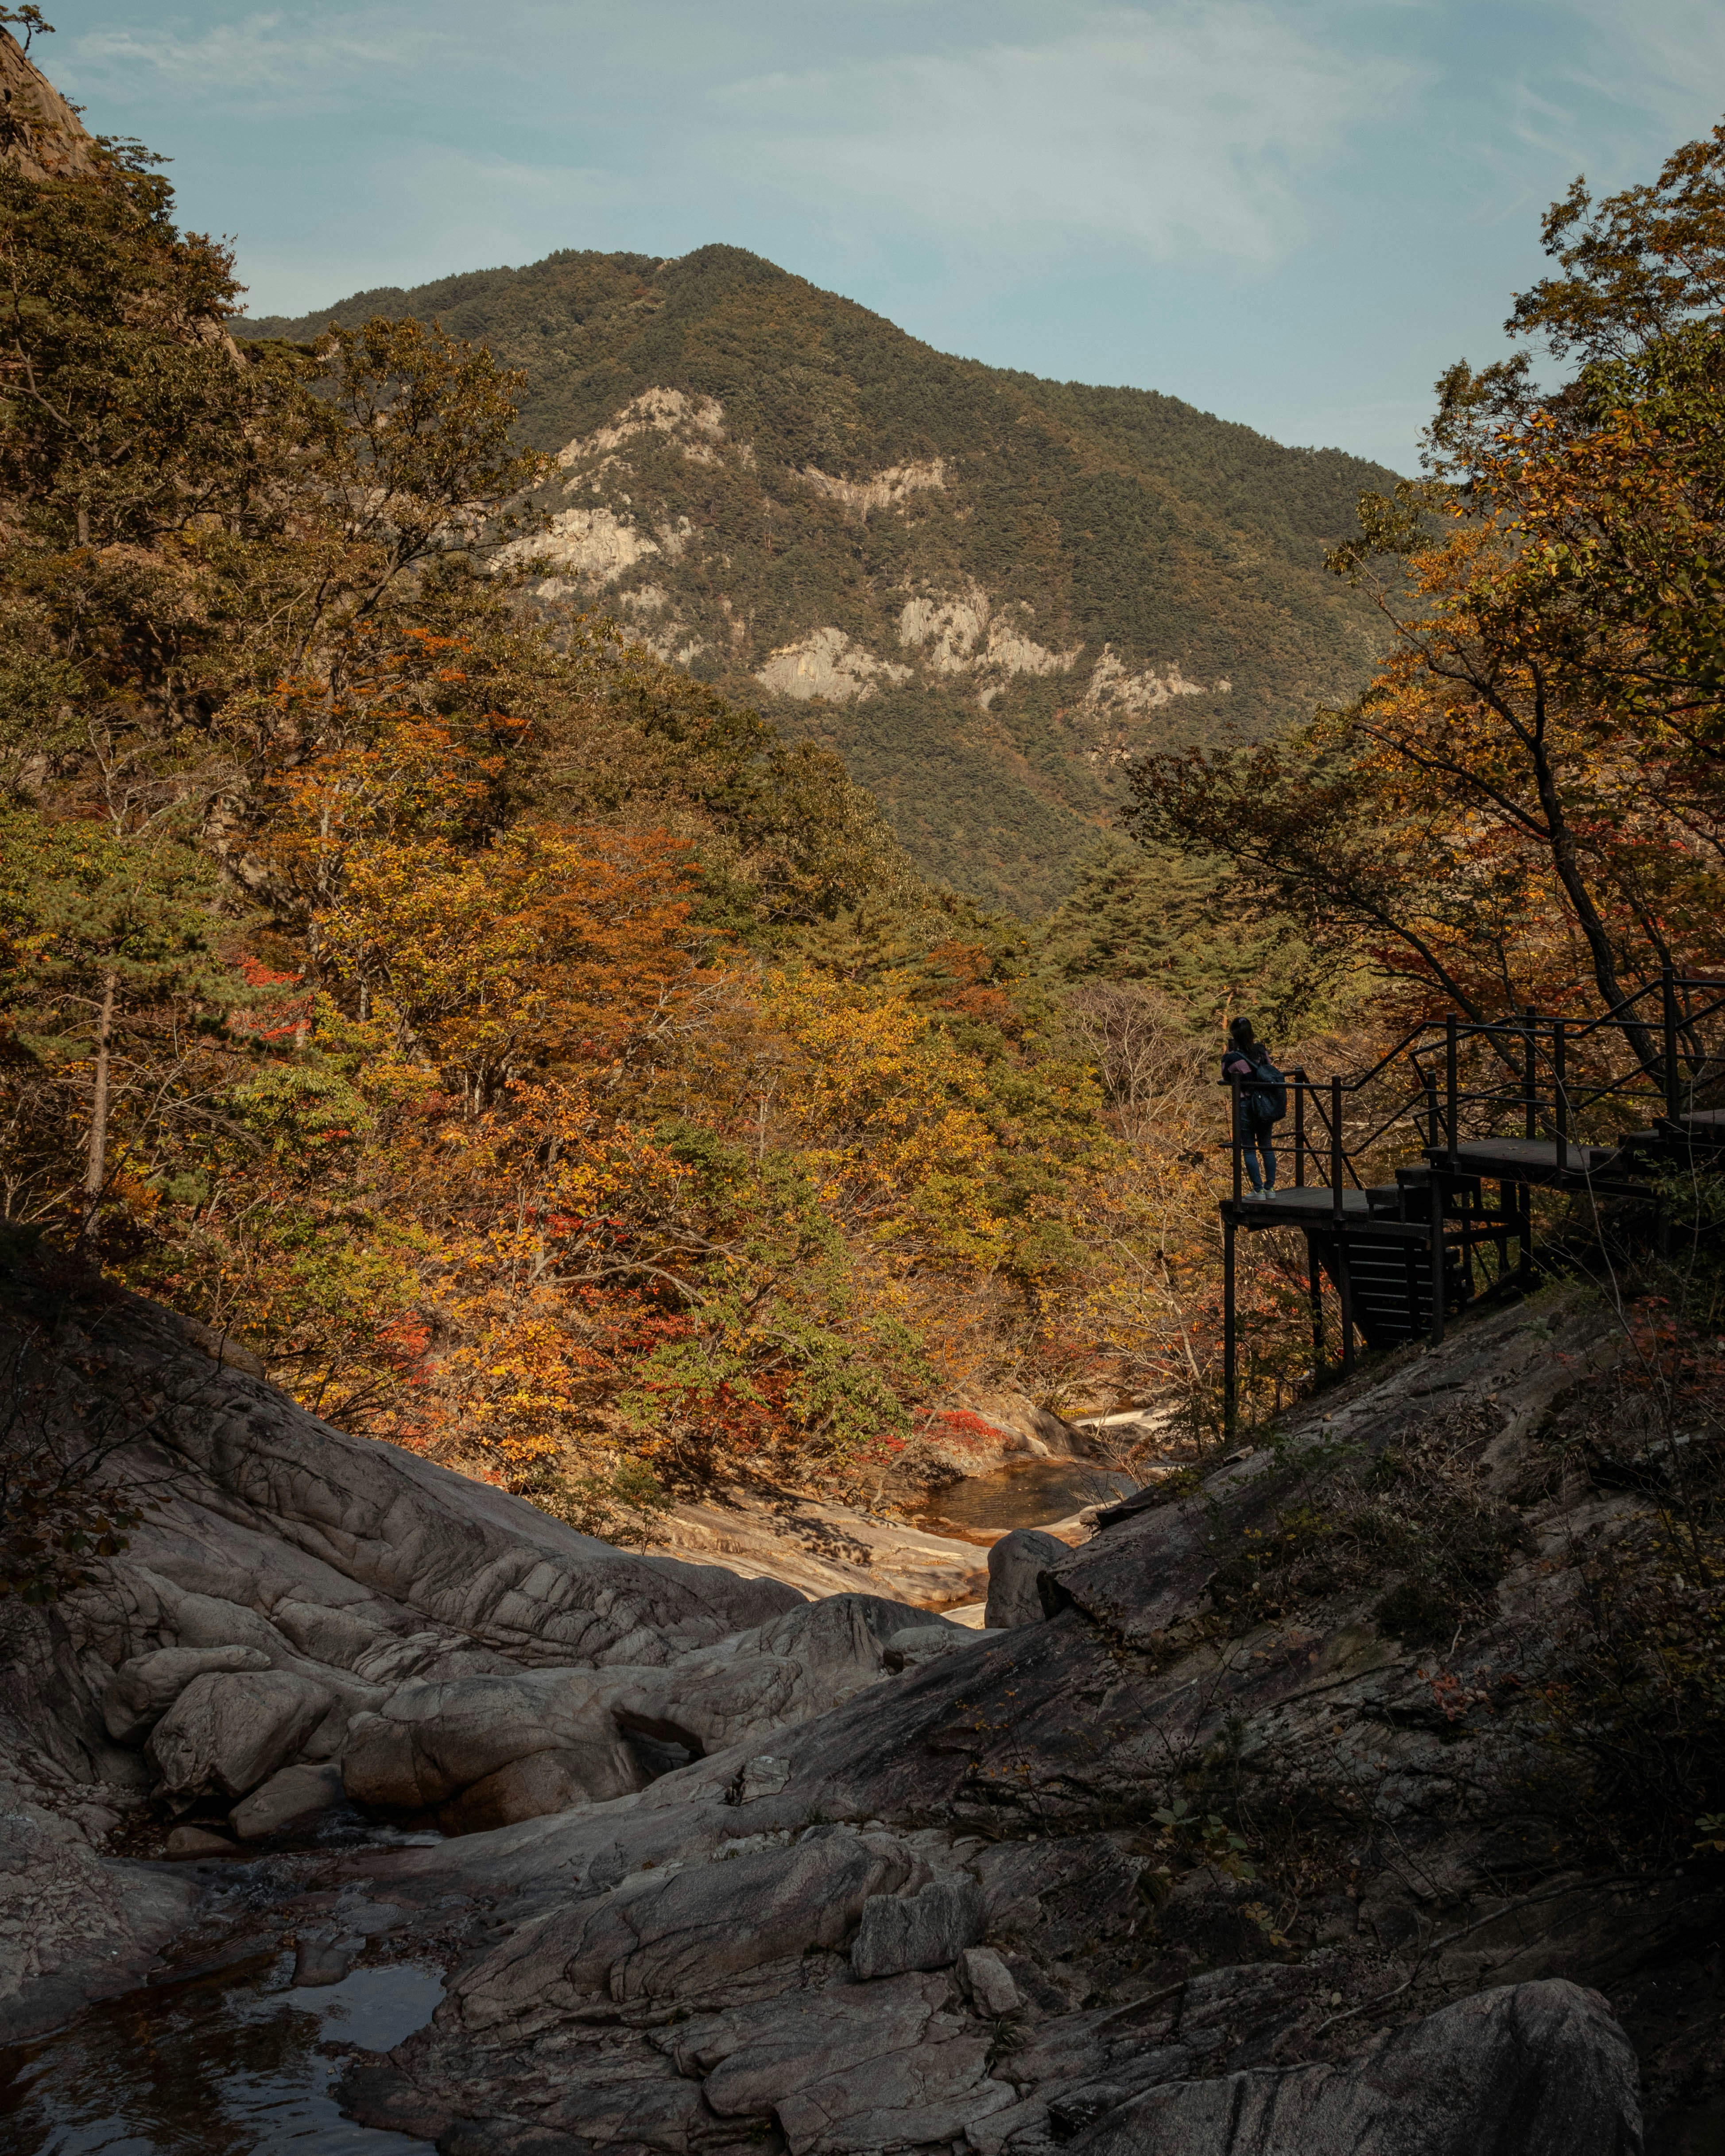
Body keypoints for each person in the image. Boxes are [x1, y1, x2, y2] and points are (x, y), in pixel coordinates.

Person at [1222, 1015, 1283, 1198]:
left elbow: (1226, 1075)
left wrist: (1228, 1053)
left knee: (1249, 1149)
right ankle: (1270, 1188)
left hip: (1246, 1105)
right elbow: (1269, 1068)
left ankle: (1258, 1190)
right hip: (1265, 1104)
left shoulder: (1232, 1058)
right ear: (1251, 1033)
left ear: (1235, 1035)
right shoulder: (1261, 1051)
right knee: (1267, 1146)